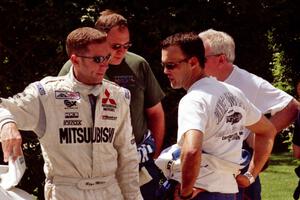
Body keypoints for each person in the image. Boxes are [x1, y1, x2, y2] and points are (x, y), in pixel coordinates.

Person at [0, 27, 142, 200]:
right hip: (66, 191)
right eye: (97, 59)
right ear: (75, 60)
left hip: (110, 191)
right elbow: (4, 106)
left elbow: (127, 157)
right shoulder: (46, 94)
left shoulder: (118, 95)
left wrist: (134, 198)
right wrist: (6, 122)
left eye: (107, 57)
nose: (105, 64)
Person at [58, 10, 166, 199]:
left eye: (126, 45)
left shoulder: (138, 64)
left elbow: (156, 113)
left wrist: (154, 155)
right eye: (115, 46)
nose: (122, 51)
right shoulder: (75, 66)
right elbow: (58, 113)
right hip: (94, 166)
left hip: (137, 159)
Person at [160, 32, 276, 200]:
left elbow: (192, 150)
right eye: (163, 65)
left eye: (171, 65)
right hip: (228, 192)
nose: (165, 71)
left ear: (192, 62)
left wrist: (185, 193)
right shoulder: (234, 93)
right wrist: (250, 176)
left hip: (199, 192)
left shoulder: (193, 100)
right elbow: (268, 131)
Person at [198, 29, 300, 200]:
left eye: (201, 57)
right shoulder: (203, 81)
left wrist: (263, 132)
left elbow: (293, 107)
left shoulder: (248, 82)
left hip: (238, 165)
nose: (194, 61)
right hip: (207, 164)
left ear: (221, 59)